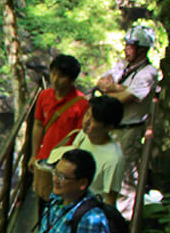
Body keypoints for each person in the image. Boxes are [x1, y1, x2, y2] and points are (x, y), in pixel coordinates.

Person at [95, 25, 160, 185]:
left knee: (122, 179)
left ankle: (124, 210)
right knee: (103, 173)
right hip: (111, 128)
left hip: (129, 131)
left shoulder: (148, 72)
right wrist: (118, 89)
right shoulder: (122, 66)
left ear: (142, 49)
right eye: (127, 45)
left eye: (131, 46)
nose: (127, 50)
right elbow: (101, 83)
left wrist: (112, 89)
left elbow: (122, 99)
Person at [37, 95, 125, 205]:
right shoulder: (84, 134)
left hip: (86, 209)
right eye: (87, 114)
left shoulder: (113, 159)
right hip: (67, 198)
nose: (86, 121)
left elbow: (109, 201)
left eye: (95, 119)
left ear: (109, 127)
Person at [31, 55, 88, 197]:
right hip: (45, 158)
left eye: (62, 76)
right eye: (53, 74)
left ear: (72, 79)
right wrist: (34, 155)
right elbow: (38, 125)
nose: (55, 80)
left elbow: (81, 136)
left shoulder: (81, 104)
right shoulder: (44, 96)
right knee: (42, 195)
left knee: (61, 198)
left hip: (66, 162)